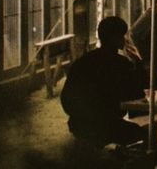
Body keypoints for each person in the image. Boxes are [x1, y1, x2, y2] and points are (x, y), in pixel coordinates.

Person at [60, 16, 147, 147]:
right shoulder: (121, 64)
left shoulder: (83, 61)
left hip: (78, 123)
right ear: (115, 38)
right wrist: (138, 62)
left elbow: (66, 97)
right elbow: (138, 93)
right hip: (105, 124)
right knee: (146, 135)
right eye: (122, 36)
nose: (125, 39)